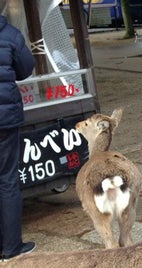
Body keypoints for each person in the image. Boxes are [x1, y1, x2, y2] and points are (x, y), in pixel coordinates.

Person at [0, 13, 37, 261]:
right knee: (7, 181)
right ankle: (12, 248)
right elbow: (25, 69)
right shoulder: (11, 34)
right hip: (4, 121)